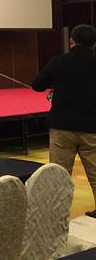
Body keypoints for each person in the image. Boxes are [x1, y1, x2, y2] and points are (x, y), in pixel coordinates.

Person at [32, 24, 96, 217]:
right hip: (92, 128)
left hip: (62, 128)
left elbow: (37, 85)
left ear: (71, 41)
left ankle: (56, 217)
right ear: (94, 44)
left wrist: (57, 83)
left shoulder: (59, 61)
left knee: (58, 175)